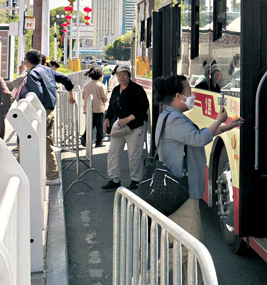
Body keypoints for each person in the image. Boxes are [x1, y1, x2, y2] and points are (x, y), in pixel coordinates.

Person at [153, 75, 242, 241]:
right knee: (188, 247)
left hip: (179, 187)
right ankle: (159, 269)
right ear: (178, 96)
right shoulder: (174, 119)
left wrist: (224, 127)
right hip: (181, 191)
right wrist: (218, 120)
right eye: (189, 91)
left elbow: (194, 135)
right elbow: (198, 139)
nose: (192, 95)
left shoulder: (169, 116)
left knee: (184, 247)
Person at [16, 49, 62, 182]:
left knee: (30, 140)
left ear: (27, 61)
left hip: (39, 112)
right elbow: (64, 78)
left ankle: (19, 171)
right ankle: (19, 170)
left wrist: (37, 110)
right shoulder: (47, 70)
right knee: (38, 141)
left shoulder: (33, 73)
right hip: (49, 110)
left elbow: (37, 92)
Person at [102, 66, 149, 190]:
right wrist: (107, 119)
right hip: (119, 127)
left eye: (124, 75)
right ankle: (114, 179)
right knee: (113, 152)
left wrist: (129, 118)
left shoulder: (137, 89)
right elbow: (111, 106)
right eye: (119, 75)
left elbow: (144, 107)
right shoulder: (116, 89)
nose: (121, 77)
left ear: (129, 75)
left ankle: (136, 180)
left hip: (134, 126)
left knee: (134, 155)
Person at [81, 67, 109, 147]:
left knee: (90, 125)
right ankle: (98, 142)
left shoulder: (87, 85)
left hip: (88, 108)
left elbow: (83, 96)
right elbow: (105, 98)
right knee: (99, 127)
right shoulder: (101, 85)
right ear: (100, 77)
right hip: (99, 109)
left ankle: (84, 138)